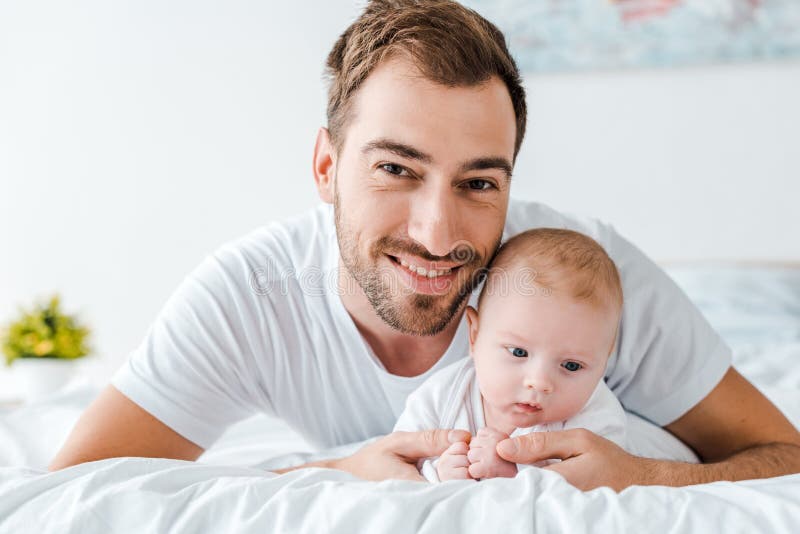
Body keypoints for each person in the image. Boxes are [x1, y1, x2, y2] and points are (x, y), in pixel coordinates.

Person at [49, 0, 800, 491]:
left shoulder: (586, 279)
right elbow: (69, 490)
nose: (438, 235)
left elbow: (786, 459)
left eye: (479, 183)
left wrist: (640, 476)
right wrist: (337, 471)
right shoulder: (253, 295)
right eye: (395, 170)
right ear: (325, 168)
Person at [393, 228, 631, 482]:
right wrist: (438, 472)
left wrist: (514, 474)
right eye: (519, 352)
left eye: (572, 365)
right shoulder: (440, 396)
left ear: (605, 358)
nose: (539, 382)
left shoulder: (597, 419)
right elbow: (399, 467)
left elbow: (596, 487)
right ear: (475, 335)